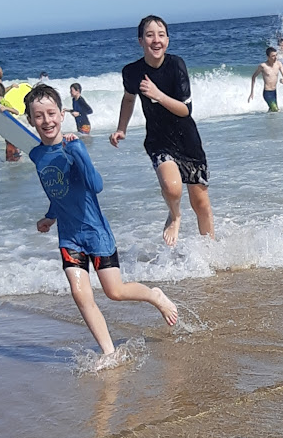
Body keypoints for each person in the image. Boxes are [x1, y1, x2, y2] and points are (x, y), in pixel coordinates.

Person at [24, 83, 178, 357]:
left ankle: (154, 295)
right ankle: (108, 353)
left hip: (95, 233)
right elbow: (57, 191)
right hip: (69, 237)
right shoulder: (36, 155)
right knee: (80, 295)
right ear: (30, 120)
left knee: (114, 292)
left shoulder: (73, 147)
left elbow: (96, 185)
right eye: (39, 115)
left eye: (51, 113)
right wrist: (49, 217)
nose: (46, 120)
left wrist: (78, 152)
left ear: (62, 114)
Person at [109, 15, 214, 247]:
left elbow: (185, 110)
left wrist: (157, 95)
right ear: (140, 41)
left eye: (161, 35)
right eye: (149, 35)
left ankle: (210, 252)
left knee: (201, 204)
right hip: (159, 140)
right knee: (172, 188)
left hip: (187, 140)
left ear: (167, 40)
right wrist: (121, 129)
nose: (156, 40)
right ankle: (175, 215)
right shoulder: (132, 72)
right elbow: (129, 99)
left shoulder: (176, 65)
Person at [248, 46, 283, 112]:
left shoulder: (279, 64)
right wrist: (252, 92)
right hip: (267, 93)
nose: (275, 57)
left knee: (272, 110)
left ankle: (268, 118)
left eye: (276, 55)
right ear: (268, 57)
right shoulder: (263, 66)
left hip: (274, 92)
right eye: (273, 56)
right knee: (275, 110)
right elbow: (253, 77)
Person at [0, 82, 22, 161]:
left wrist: (6, 108)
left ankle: (16, 164)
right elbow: (3, 92)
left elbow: (16, 112)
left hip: (12, 131)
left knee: (12, 152)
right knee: (10, 151)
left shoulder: (4, 103)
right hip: (8, 131)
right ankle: (15, 163)